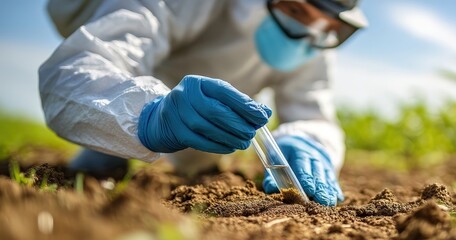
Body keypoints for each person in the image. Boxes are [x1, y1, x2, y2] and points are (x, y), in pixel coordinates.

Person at [39, 0, 367, 206]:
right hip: (142, 91)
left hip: (202, 125)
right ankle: (109, 142)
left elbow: (314, 112)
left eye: (326, 26)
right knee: (102, 157)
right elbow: (77, 68)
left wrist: (308, 141)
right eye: (296, 10)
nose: (309, 32)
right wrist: (147, 114)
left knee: (198, 165)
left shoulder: (315, 44)